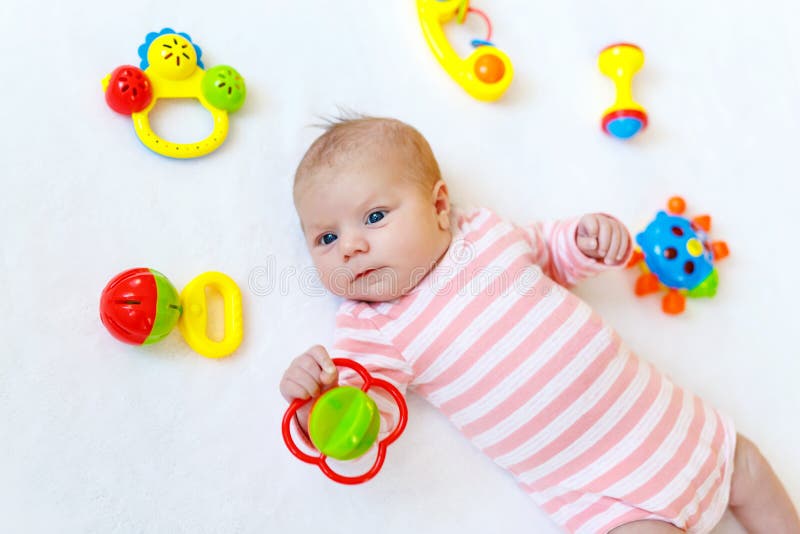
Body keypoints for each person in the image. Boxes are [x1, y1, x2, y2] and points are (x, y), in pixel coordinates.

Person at [280, 116, 799, 534]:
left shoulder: (481, 232)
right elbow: (370, 416)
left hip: (664, 419)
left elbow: (551, 251)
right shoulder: (372, 326)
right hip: (598, 491)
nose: (350, 245)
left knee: (744, 465)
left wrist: (589, 238)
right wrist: (319, 405)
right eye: (325, 239)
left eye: (373, 217)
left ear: (440, 206)